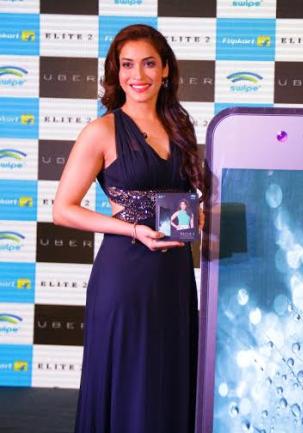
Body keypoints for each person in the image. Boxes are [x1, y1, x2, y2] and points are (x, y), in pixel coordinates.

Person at [53, 24, 203, 433]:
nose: (138, 75)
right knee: (130, 381)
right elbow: (63, 210)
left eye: (149, 64)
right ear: (115, 72)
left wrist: (201, 216)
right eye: (127, 65)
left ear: (166, 69)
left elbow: (184, 200)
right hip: (125, 273)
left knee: (169, 376)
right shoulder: (101, 131)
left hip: (173, 276)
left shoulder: (180, 126)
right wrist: (132, 230)